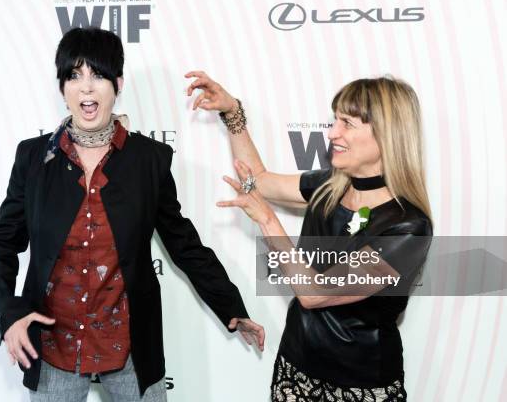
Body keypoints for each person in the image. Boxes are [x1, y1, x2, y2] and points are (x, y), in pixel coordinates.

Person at [0, 28, 265, 402]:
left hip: (131, 347)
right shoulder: (34, 158)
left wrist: (231, 306)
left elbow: (183, 243)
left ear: (117, 84)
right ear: (62, 88)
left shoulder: (148, 160)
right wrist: (11, 313)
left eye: (97, 75)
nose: (86, 88)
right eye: (74, 76)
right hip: (53, 346)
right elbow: (1, 244)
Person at [185, 71, 433, 401]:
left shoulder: (408, 227)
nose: (333, 133)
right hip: (296, 369)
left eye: (347, 123)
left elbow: (315, 293)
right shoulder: (330, 187)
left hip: (360, 386)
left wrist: (268, 222)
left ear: (387, 136)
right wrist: (232, 113)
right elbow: (257, 179)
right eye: (335, 120)